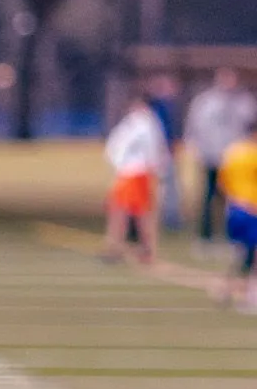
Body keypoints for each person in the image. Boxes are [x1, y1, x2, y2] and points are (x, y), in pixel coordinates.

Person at [186, 68, 257, 243]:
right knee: (209, 197)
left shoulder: (245, 102)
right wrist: (195, 148)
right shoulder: (205, 101)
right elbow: (194, 126)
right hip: (211, 155)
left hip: (237, 159)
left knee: (237, 200)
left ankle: (233, 237)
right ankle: (206, 235)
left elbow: (250, 127)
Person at [103, 93, 171, 264]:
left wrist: (156, 170)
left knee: (135, 213)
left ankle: (139, 249)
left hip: (137, 173)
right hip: (130, 173)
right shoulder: (137, 123)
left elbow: (151, 149)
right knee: (126, 211)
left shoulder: (144, 123)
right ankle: (125, 247)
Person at [216, 119, 257, 310]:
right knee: (252, 253)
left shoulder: (233, 151)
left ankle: (225, 289)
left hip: (234, 207)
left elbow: (222, 181)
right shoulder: (253, 154)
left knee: (240, 253)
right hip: (252, 208)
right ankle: (250, 296)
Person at [149, 74, 185, 231]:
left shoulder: (166, 106)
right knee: (166, 186)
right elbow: (162, 131)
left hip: (165, 151)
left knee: (169, 186)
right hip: (161, 152)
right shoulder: (159, 107)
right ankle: (169, 218)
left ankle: (168, 217)